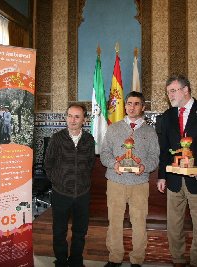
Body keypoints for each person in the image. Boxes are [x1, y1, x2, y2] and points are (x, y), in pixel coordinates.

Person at [157, 74, 197, 267]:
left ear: (186, 90)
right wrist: (162, 176)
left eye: (174, 90)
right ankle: (178, 260)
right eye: (168, 92)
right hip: (174, 180)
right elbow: (164, 149)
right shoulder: (167, 116)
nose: (170, 95)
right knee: (173, 225)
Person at [100, 91, 160, 267]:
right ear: (125, 106)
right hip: (115, 182)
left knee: (139, 222)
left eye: (136, 104)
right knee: (115, 220)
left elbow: (154, 157)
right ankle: (115, 258)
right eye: (129, 103)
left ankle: (137, 260)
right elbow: (104, 153)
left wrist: (144, 167)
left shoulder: (150, 131)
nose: (132, 107)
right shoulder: (113, 128)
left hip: (139, 184)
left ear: (143, 107)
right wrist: (114, 164)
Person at [44, 103, 95, 267]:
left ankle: (76, 261)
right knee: (59, 231)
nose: (72, 120)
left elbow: (90, 164)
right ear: (66, 117)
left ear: (84, 120)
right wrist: (58, 181)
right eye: (70, 116)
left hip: (82, 194)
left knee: (80, 231)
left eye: (77, 116)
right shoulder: (57, 138)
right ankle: (60, 260)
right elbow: (48, 164)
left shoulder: (89, 139)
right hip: (61, 193)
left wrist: (82, 181)